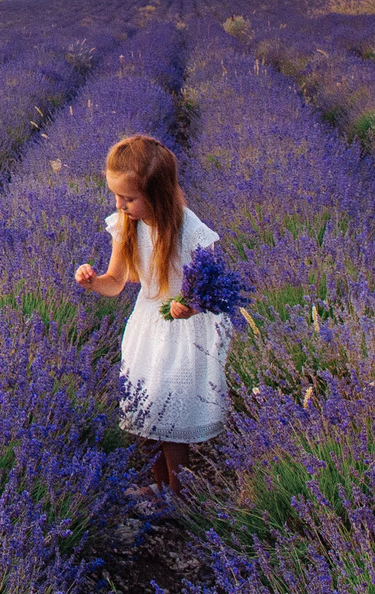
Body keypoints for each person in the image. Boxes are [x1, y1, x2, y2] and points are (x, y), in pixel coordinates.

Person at [71, 132, 227, 499]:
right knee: (149, 409)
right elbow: (116, 282)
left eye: (128, 197)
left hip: (186, 332)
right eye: (116, 196)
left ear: (156, 194)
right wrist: (92, 281)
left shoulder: (191, 232)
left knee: (173, 415)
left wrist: (189, 306)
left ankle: (178, 491)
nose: (120, 204)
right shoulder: (127, 224)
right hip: (148, 325)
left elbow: (212, 292)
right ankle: (159, 487)